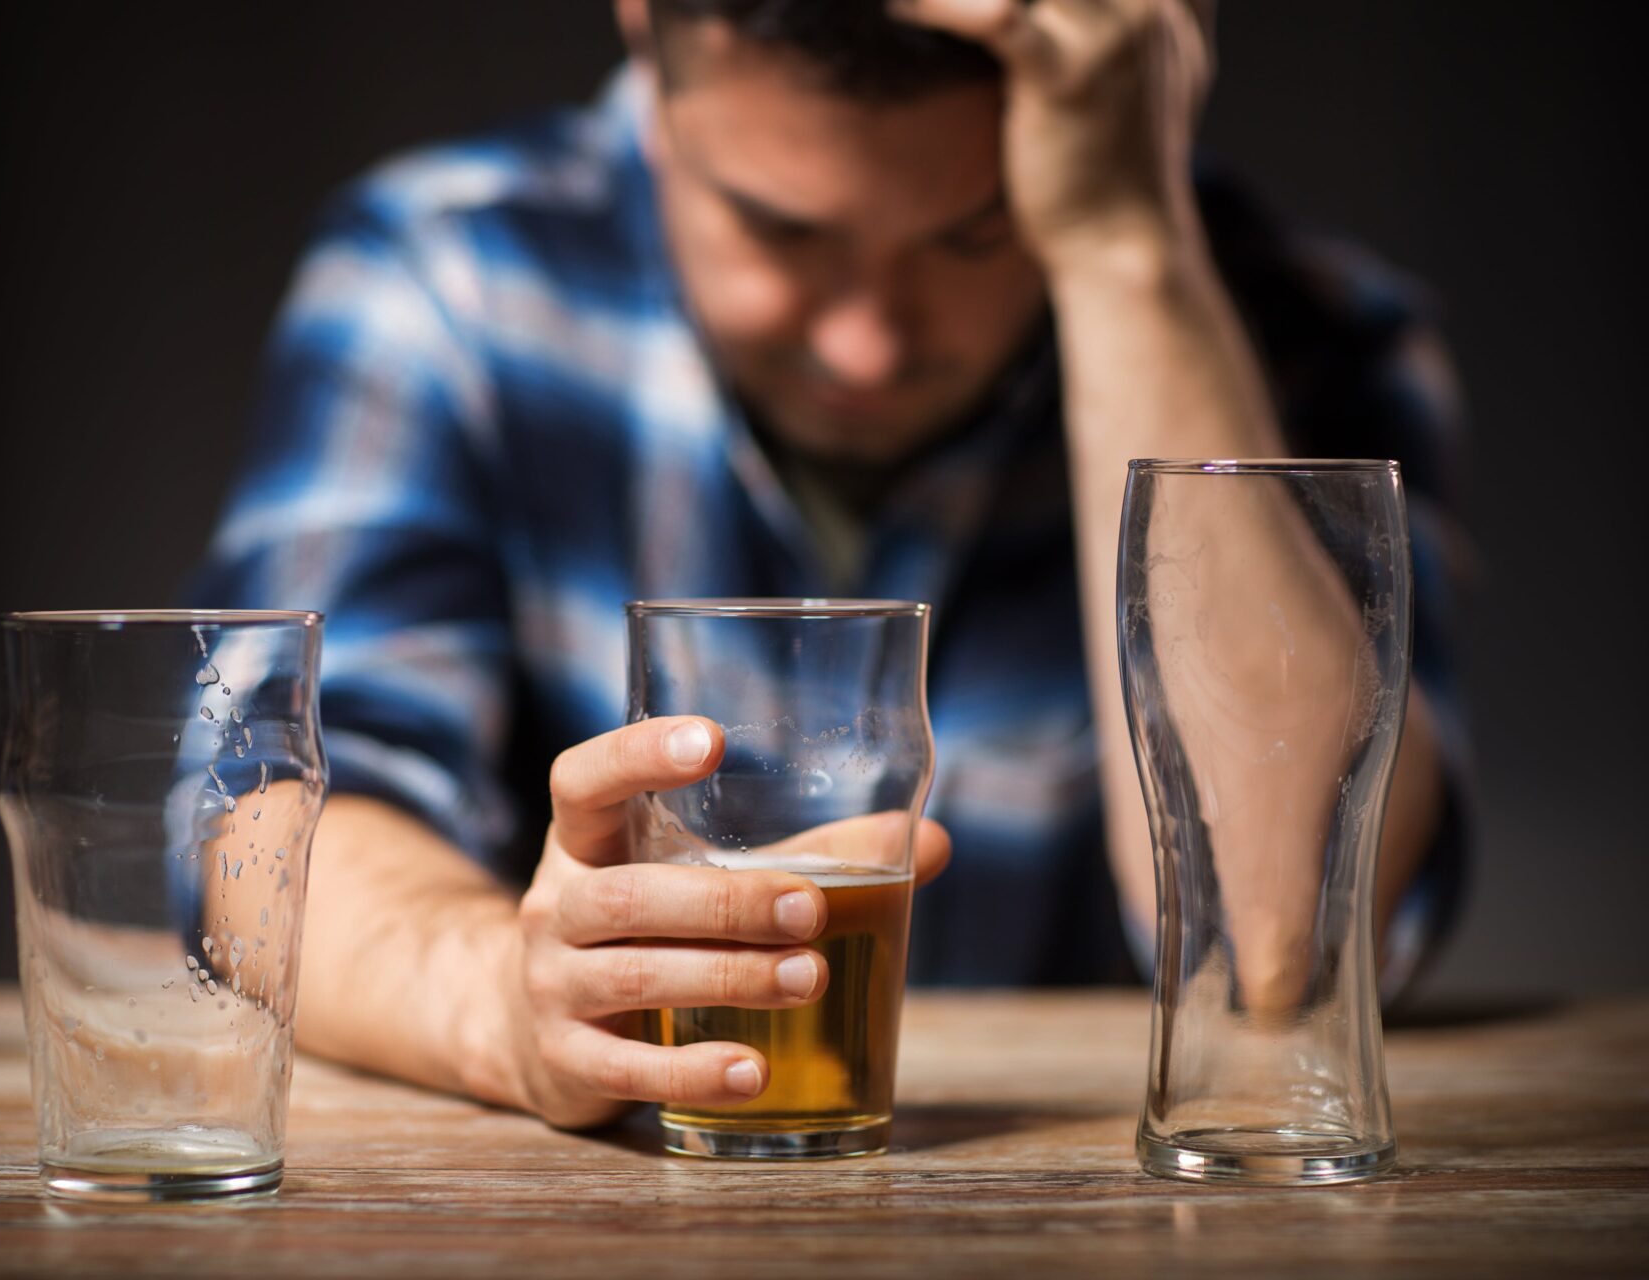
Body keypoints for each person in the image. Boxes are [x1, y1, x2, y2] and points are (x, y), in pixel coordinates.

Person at [191, 0, 1470, 1129]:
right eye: (780, 229)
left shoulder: (1304, 336)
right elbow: (270, 836)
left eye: (976, 235)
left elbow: (1285, 946)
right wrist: (512, 1003)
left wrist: (1126, 248)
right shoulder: (444, 278)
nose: (866, 345)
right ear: (646, 33)